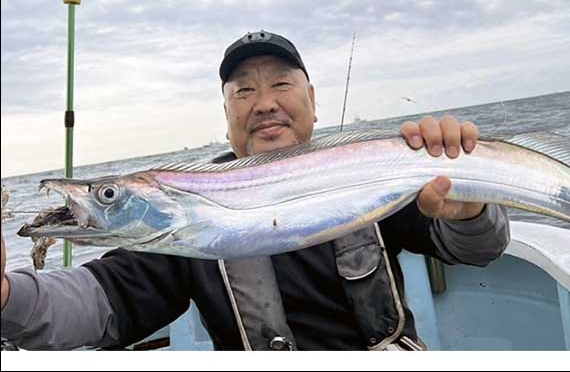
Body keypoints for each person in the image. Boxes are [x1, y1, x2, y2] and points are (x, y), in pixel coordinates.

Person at [1, 31, 510, 351]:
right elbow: (99, 303)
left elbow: (479, 249)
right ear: (227, 119)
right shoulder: (183, 213)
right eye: (243, 91)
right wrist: (6, 297)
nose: (264, 103)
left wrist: (469, 212)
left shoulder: (370, 171)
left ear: (312, 101)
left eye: (282, 85)